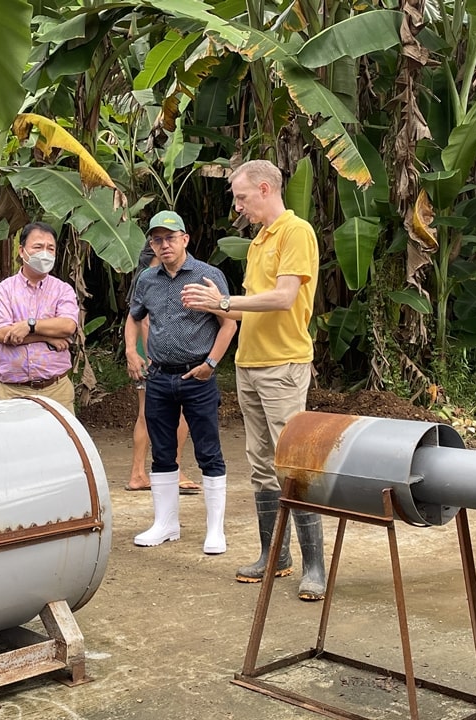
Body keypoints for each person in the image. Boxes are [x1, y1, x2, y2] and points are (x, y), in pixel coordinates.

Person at [181, 159, 326, 601]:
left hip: (284, 364)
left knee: (293, 462)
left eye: (242, 197)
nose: (238, 207)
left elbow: (284, 298)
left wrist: (223, 299)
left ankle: (314, 565)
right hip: (250, 363)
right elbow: (245, 308)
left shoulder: (295, 232)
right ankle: (274, 555)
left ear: (265, 189)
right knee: (261, 462)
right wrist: (216, 308)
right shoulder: (258, 242)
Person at [126, 210, 237, 554]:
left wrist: (211, 364)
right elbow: (134, 318)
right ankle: (166, 523)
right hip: (159, 376)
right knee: (162, 453)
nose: (164, 245)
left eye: (170, 238)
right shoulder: (147, 279)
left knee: (208, 451)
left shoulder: (208, 275)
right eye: (157, 240)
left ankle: (215, 530)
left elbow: (229, 322)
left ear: (185, 239)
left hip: (197, 376)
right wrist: (132, 351)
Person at [125, 242, 200, 495]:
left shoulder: (141, 282)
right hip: (156, 358)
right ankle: (174, 469)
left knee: (146, 414)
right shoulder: (153, 281)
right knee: (177, 414)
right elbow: (145, 323)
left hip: (145, 354)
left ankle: (137, 473)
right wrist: (155, 359)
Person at [0, 221, 79, 413]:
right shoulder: (2, 291)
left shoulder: (63, 290)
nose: (44, 253)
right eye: (38, 247)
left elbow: (68, 326)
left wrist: (29, 325)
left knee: (61, 443)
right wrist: (47, 336)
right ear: (22, 251)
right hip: (11, 392)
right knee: (11, 444)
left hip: (56, 390)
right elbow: (3, 334)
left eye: (50, 248)